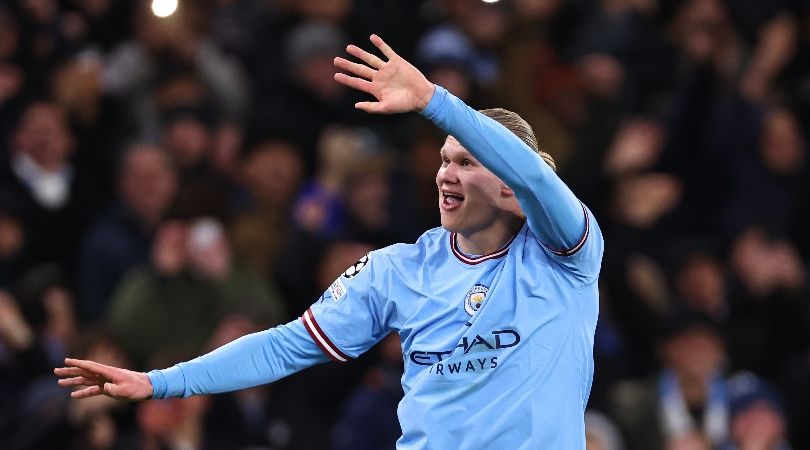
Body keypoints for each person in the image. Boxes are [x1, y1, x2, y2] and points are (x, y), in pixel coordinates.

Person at [55, 35, 603, 449]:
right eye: (443, 159)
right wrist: (159, 382)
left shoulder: (566, 255)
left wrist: (434, 100)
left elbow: (536, 180)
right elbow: (284, 346)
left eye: (466, 162)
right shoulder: (399, 270)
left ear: (508, 182)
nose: (445, 175)